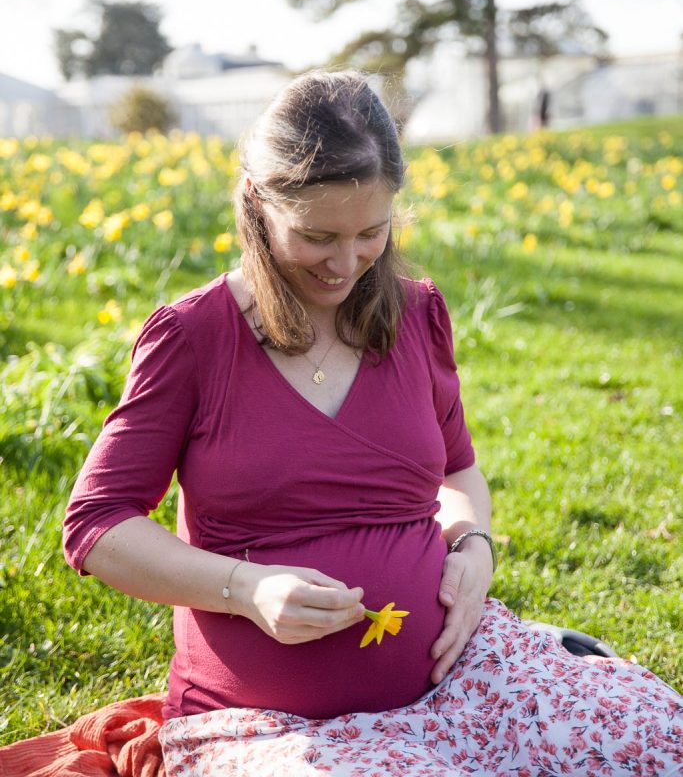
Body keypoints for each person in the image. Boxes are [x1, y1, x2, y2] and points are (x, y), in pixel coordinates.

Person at [63, 71, 682, 776]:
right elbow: (98, 526)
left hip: (458, 682)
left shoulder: (416, 315)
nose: (347, 262)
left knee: (654, 739)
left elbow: (455, 473)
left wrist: (474, 546)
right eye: (317, 235)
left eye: (371, 233)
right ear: (258, 207)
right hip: (268, 723)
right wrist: (247, 588)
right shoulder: (192, 337)